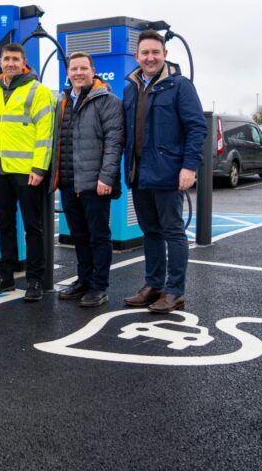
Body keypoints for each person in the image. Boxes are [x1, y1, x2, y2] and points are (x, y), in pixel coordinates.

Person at [122, 30, 207, 313]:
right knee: (150, 232)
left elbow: (197, 128)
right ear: (137, 56)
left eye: (155, 52)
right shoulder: (130, 88)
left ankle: (174, 291)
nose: (150, 57)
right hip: (139, 174)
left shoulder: (180, 86)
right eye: (144, 53)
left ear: (165, 55)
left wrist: (189, 166)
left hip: (169, 173)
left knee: (173, 232)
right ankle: (153, 285)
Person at [0, 43, 56, 302]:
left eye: (15, 59)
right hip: (1, 169)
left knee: (32, 228)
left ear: (23, 62)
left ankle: (35, 279)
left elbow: (45, 133)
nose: (11, 63)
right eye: (6, 59)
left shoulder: (38, 91)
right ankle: (6, 276)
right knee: (4, 225)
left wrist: (39, 167)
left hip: (28, 172)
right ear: (0, 62)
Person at [53, 52, 124, 308]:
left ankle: (99, 286)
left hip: (95, 183)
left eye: (84, 68)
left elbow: (115, 142)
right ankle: (83, 280)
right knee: (79, 236)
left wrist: (106, 177)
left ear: (93, 71)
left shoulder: (108, 100)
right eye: (74, 69)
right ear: (68, 72)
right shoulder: (62, 101)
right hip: (69, 182)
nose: (79, 72)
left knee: (99, 236)